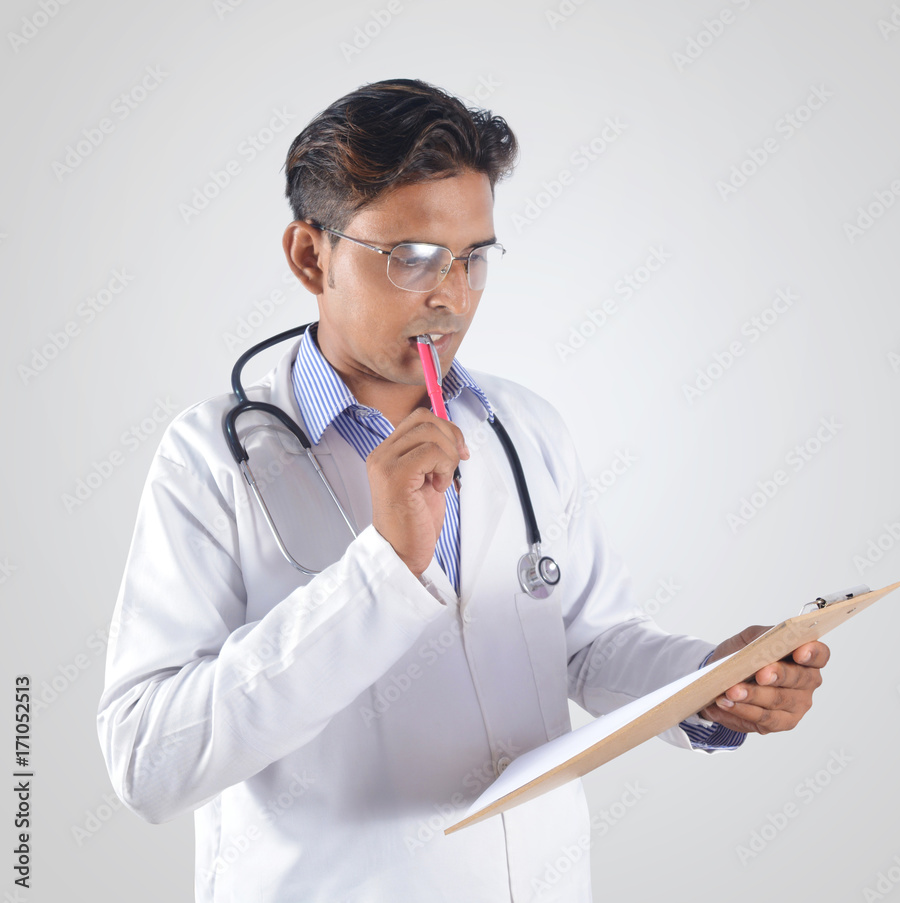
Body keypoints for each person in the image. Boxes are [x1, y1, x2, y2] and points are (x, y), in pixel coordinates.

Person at [97, 78, 828, 902]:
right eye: (410, 258)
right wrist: (381, 571)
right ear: (310, 256)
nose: (451, 294)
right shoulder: (210, 459)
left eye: (473, 258)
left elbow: (588, 644)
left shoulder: (523, 426)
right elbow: (146, 758)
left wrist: (710, 679)